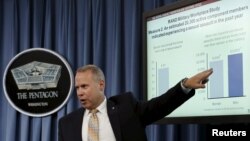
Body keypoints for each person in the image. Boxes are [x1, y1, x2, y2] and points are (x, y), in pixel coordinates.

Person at [58, 64, 213, 141]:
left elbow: (160, 105)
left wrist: (184, 86)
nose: (79, 92)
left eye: (84, 86)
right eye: (77, 88)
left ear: (101, 85)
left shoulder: (126, 107)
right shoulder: (67, 123)